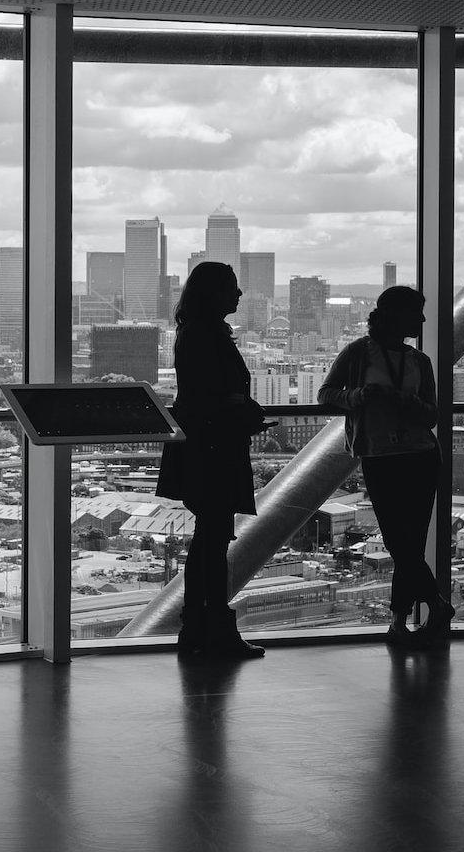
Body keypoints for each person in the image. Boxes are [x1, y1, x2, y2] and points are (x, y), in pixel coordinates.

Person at [318, 286, 452, 647]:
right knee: (401, 542)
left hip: (416, 456)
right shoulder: (359, 353)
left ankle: (398, 622)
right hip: (388, 457)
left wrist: (398, 400)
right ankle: (436, 605)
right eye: (417, 313)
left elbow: (431, 413)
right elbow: (326, 394)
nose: (423, 320)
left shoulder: (418, 360)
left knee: (407, 543)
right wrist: (359, 396)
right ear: (396, 315)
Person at [155, 261, 269, 659]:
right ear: (214, 294)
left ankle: (200, 627)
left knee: (209, 540)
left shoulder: (194, 333)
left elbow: (200, 394)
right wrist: (241, 411)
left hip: (204, 446)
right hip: (214, 448)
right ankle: (212, 628)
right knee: (213, 541)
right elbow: (211, 396)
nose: (239, 295)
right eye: (232, 288)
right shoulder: (207, 335)